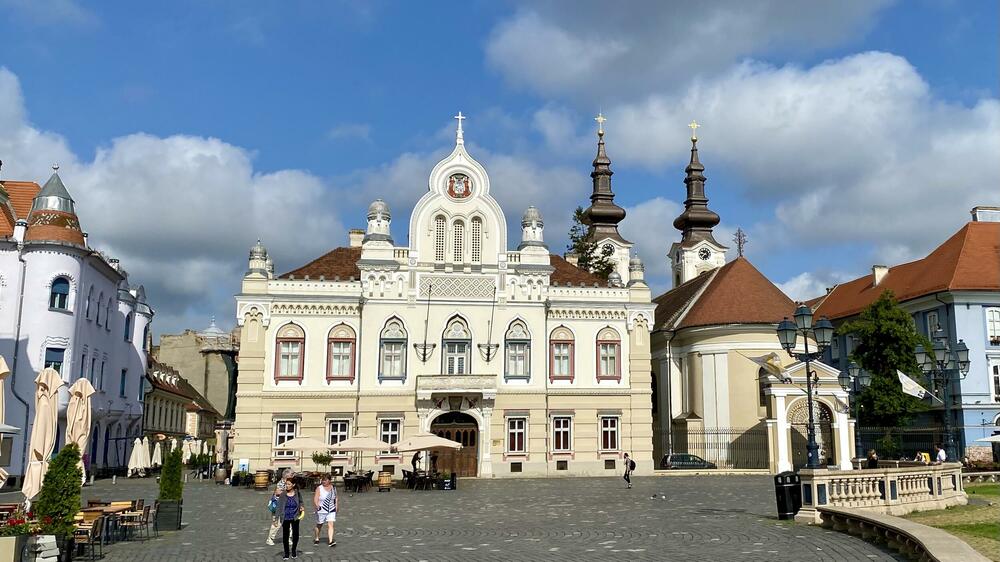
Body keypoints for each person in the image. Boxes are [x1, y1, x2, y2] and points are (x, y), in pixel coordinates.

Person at [276, 480, 304, 560]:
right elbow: (279, 506)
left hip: (295, 516)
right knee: (285, 535)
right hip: (285, 517)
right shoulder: (283, 494)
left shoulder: (297, 493)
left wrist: (302, 506)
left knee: (295, 534)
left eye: (289, 484)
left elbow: (301, 501)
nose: (287, 486)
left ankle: (294, 550)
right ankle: (286, 553)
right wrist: (276, 518)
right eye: (286, 484)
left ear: (293, 485)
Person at [267, 469, 295, 546]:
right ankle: (270, 538)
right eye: (292, 475)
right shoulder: (281, 483)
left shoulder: (290, 483)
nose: (293, 476)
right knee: (277, 524)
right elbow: (278, 492)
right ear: (287, 476)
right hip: (279, 507)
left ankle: (288, 538)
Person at [314, 475, 338, 547]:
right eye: (323, 480)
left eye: (325, 480)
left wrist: (336, 506)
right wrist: (317, 505)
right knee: (319, 524)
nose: (323, 481)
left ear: (329, 480)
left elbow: (336, 498)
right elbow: (316, 498)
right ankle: (317, 537)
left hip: (331, 509)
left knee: (331, 524)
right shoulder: (319, 488)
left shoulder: (333, 488)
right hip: (321, 509)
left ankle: (330, 541)